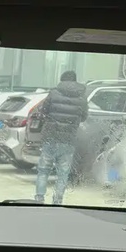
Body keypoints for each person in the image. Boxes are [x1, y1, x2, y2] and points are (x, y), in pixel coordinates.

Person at [34, 70, 89, 204]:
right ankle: (58, 200)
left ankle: (39, 198)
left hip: (51, 137)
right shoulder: (82, 97)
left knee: (43, 170)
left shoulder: (53, 93)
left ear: (62, 79)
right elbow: (84, 117)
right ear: (75, 80)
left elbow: (44, 110)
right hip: (68, 139)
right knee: (63, 173)